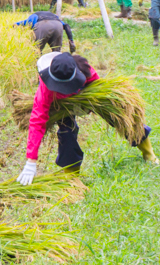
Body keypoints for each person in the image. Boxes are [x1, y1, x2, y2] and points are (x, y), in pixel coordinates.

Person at [17, 52, 157, 185]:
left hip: (87, 97)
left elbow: (99, 88)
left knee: (119, 116)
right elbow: (37, 121)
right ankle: (71, 177)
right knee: (67, 134)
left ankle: (148, 153)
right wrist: (31, 161)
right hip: (61, 106)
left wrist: (88, 105)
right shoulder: (46, 88)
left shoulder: (86, 71)